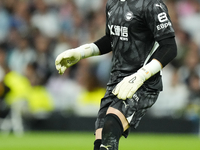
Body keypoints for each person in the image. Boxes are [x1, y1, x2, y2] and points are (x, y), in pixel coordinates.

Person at [55, 0, 177, 150]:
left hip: (143, 81)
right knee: (100, 144)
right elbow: (111, 39)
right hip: (116, 81)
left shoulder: (152, 5)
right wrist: (81, 52)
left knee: (110, 126)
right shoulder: (112, 3)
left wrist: (140, 75)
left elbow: (169, 47)